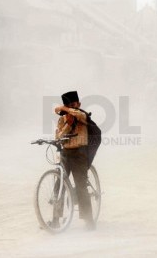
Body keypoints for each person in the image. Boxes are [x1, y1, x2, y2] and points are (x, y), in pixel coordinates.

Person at [54, 91, 95, 231]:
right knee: (58, 186)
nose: (71, 107)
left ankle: (89, 220)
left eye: (73, 104)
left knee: (80, 186)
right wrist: (67, 125)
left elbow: (79, 115)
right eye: (68, 105)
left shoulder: (83, 115)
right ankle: (55, 220)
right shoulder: (62, 120)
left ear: (79, 104)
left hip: (79, 155)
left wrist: (64, 109)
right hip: (65, 154)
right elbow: (58, 135)